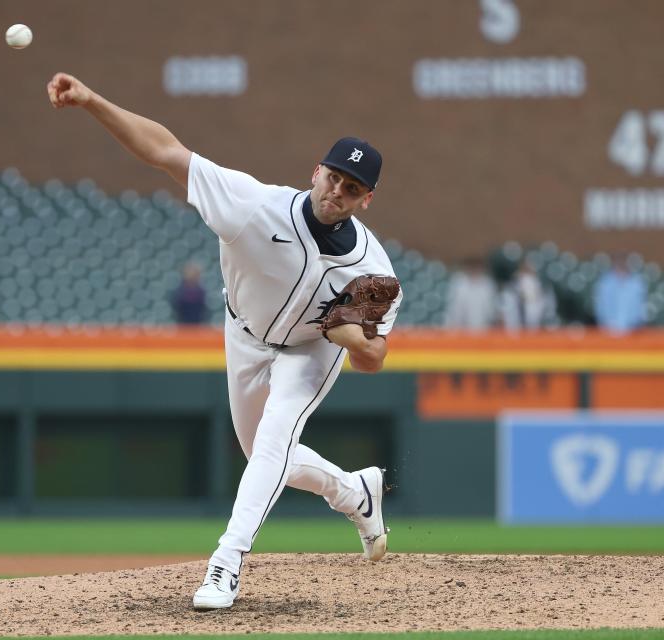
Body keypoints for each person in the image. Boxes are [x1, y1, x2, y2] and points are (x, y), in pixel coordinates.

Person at [47, 72, 402, 610]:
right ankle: (353, 492)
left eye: (352, 187)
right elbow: (166, 151)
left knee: (274, 438)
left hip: (310, 350)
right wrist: (92, 100)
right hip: (245, 335)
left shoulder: (373, 270)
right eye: (333, 177)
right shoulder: (253, 206)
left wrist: (340, 324)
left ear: (366, 199)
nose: (337, 191)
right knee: (263, 453)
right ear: (316, 171)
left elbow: (373, 358)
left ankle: (225, 564)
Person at [594, 253, 647, 334]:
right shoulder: (605, 282)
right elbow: (601, 307)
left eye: (624, 261)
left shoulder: (636, 283)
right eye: (619, 262)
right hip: (608, 330)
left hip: (632, 330)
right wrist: (607, 325)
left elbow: (639, 308)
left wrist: (634, 326)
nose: (621, 264)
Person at [498, 259, 555, 331]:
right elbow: (504, 309)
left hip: (536, 329)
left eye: (529, 268)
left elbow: (548, 309)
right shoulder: (511, 286)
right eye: (525, 268)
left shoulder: (542, 287)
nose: (527, 271)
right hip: (514, 330)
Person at [444, 256, 498, 330]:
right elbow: (455, 309)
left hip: (484, 330)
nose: (475, 270)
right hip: (462, 330)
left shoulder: (487, 284)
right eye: (472, 267)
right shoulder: (459, 283)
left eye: (477, 267)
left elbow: (491, 310)